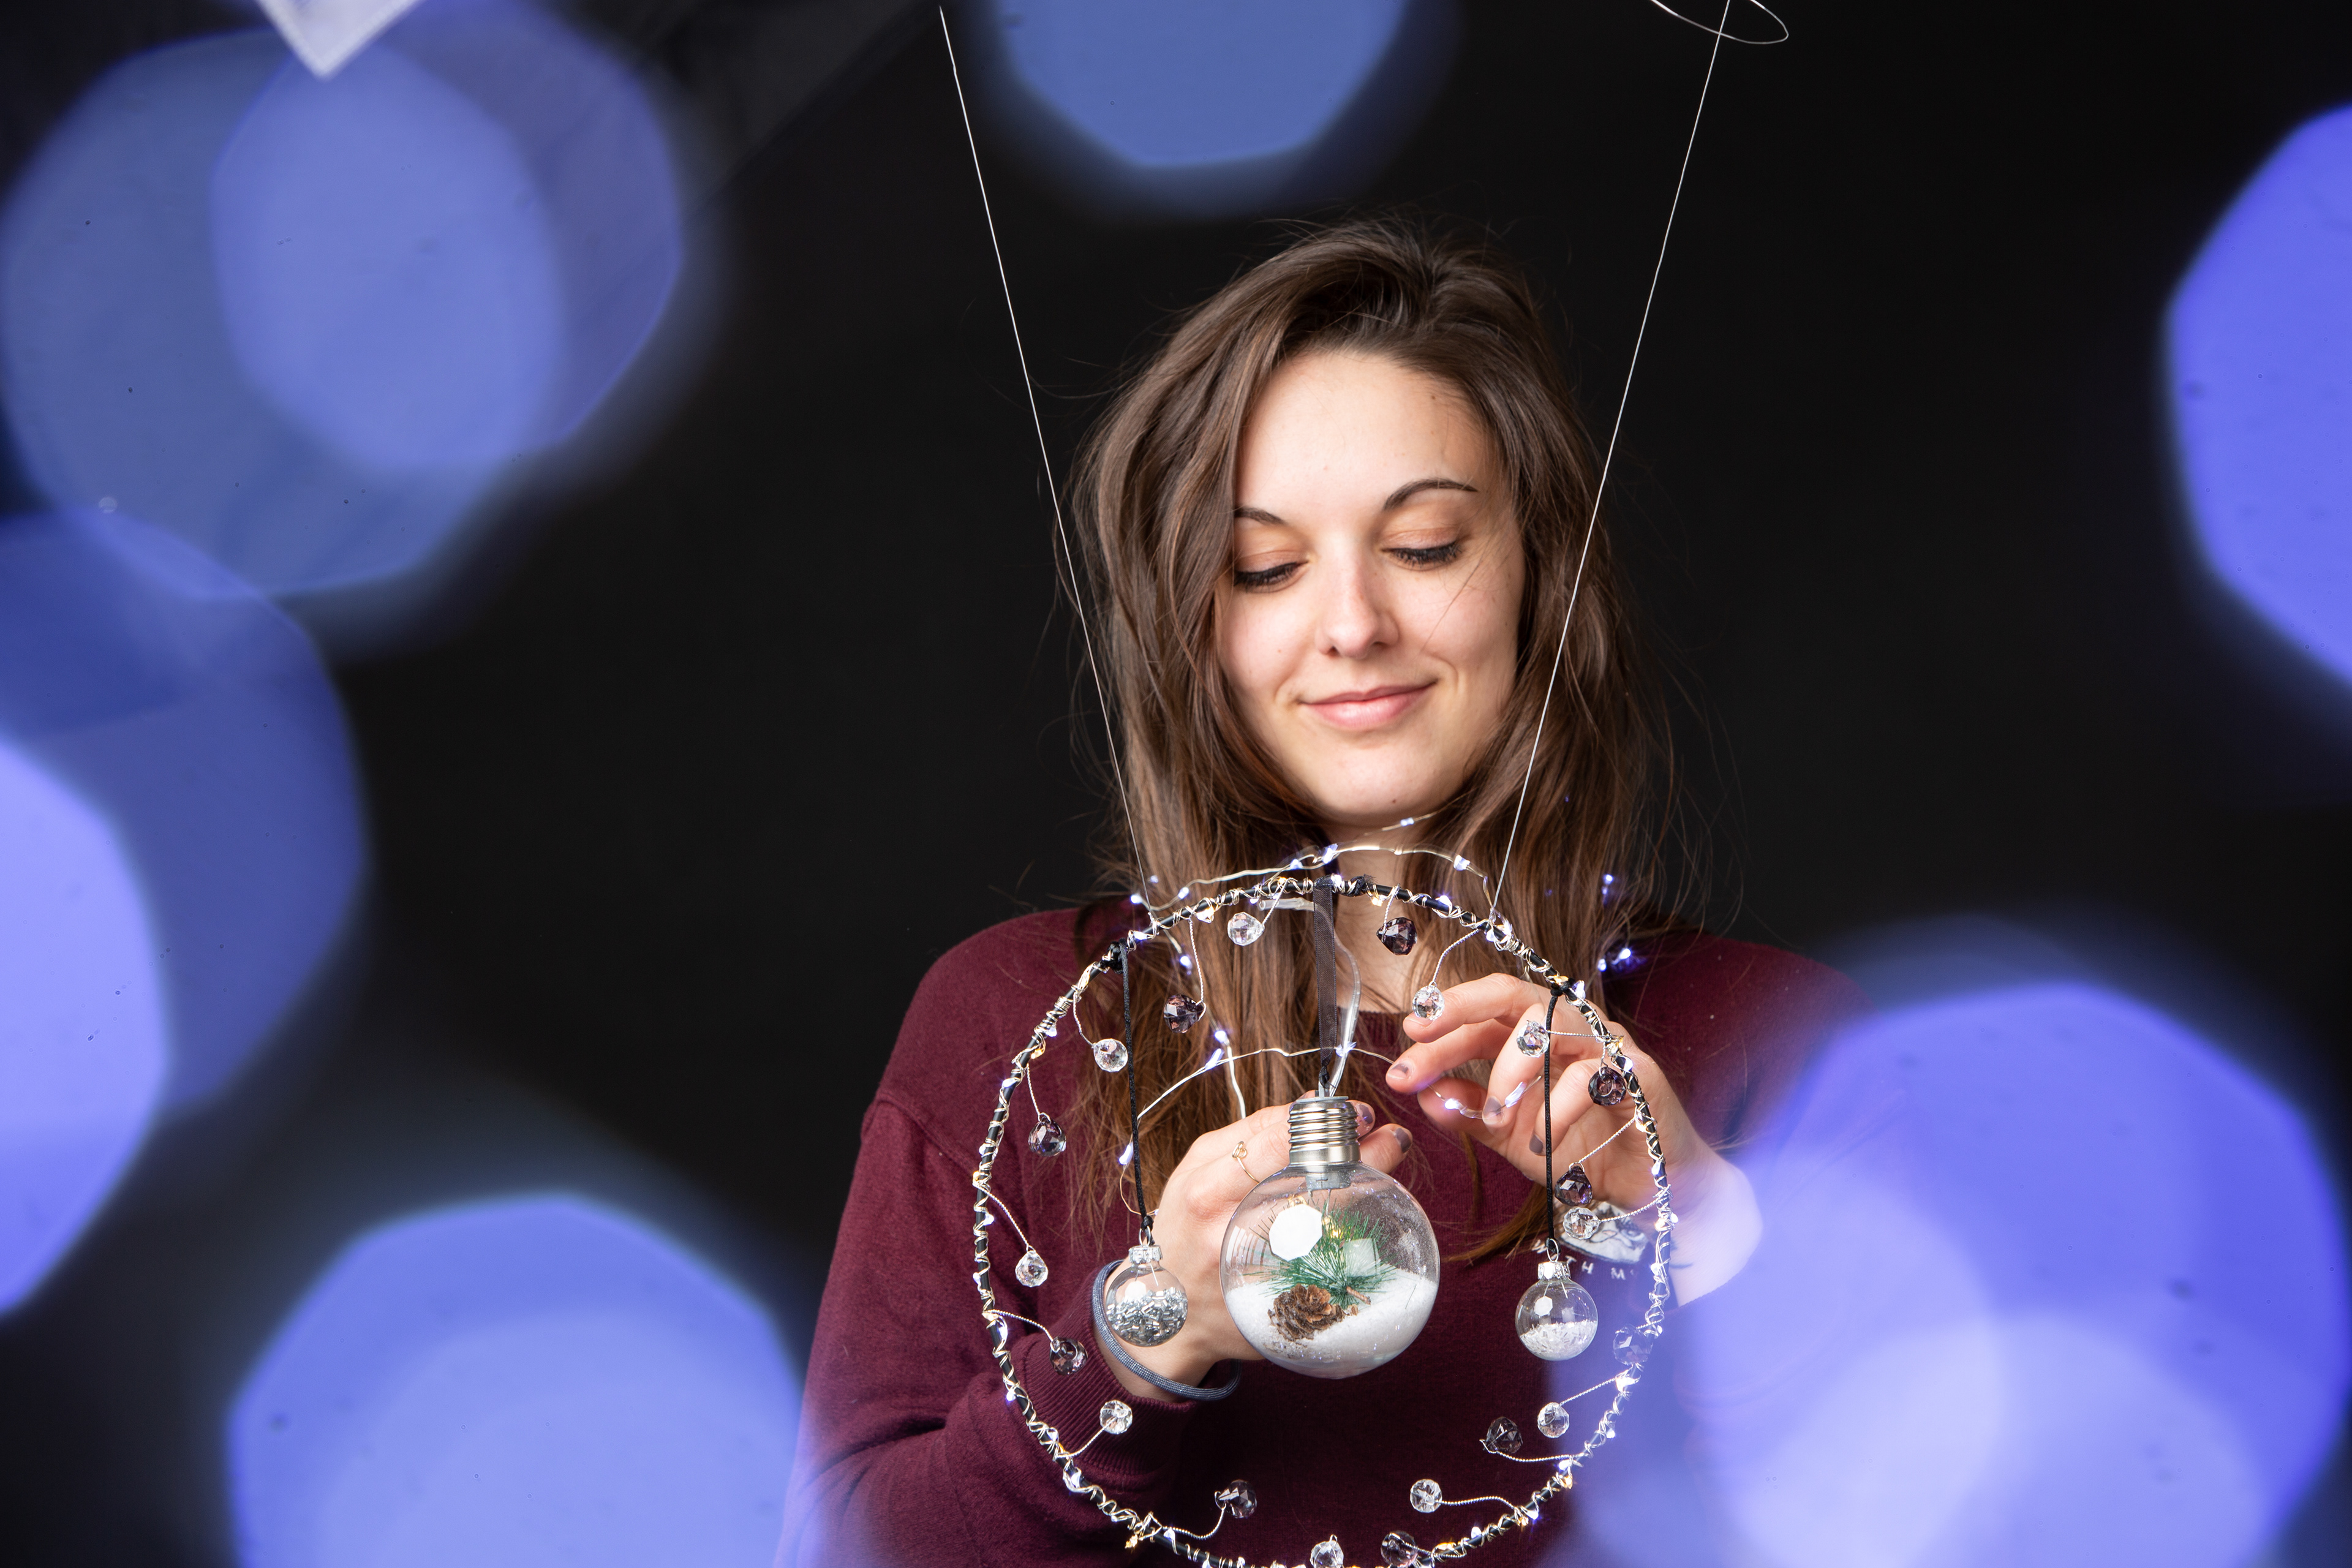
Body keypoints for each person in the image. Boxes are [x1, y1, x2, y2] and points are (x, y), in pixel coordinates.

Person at [779, 219, 1864, 1568]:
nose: (1352, 624)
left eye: (1425, 545)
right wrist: (1148, 1328)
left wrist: (1702, 1220)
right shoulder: (1016, 1024)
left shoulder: (1785, 1038)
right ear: (1191, 622)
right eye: (1267, 567)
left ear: (1539, 572)